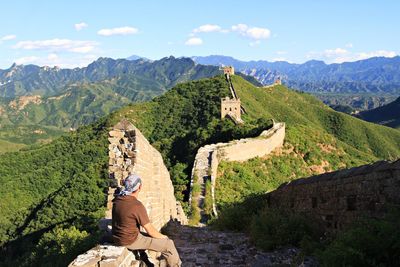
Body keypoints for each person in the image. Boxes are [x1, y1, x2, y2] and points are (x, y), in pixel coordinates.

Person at [112, 174, 181, 267]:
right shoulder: (136, 205)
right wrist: (164, 237)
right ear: (139, 187)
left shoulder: (118, 199)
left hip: (118, 237)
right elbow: (150, 230)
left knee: (145, 236)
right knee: (169, 245)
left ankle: (146, 262)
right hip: (130, 240)